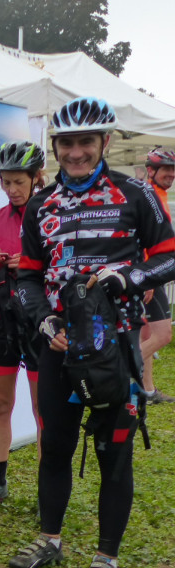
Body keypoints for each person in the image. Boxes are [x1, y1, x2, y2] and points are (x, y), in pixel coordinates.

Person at [9, 97, 175, 568]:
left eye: (86, 141)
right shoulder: (41, 203)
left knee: (114, 454)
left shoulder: (135, 192)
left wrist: (130, 277)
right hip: (59, 348)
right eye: (67, 143)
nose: (76, 152)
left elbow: (169, 256)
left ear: (105, 141)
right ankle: (50, 539)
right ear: (54, 146)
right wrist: (45, 320)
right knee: (55, 447)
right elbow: (26, 277)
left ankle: (106, 559)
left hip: (114, 349)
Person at [0, 141, 46, 509]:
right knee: (0, 404)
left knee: (43, 409)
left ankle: (48, 487)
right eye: (6, 182)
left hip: (39, 322)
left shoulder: (50, 216)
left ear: (36, 178)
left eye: (19, 182)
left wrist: (29, 264)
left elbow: (63, 271)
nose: (12, 189)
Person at [140, 147, 175, 403]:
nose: (171, 174)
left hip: (152, 273)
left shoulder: (158, 194)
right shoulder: (150, 196)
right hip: (148, 274)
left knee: (147, 336)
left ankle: (147, 390)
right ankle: (116, 370)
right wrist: (146, 278)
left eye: (173, 170)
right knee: (163, 335)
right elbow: (142, 238)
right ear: (151, 170)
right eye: (166, 169)